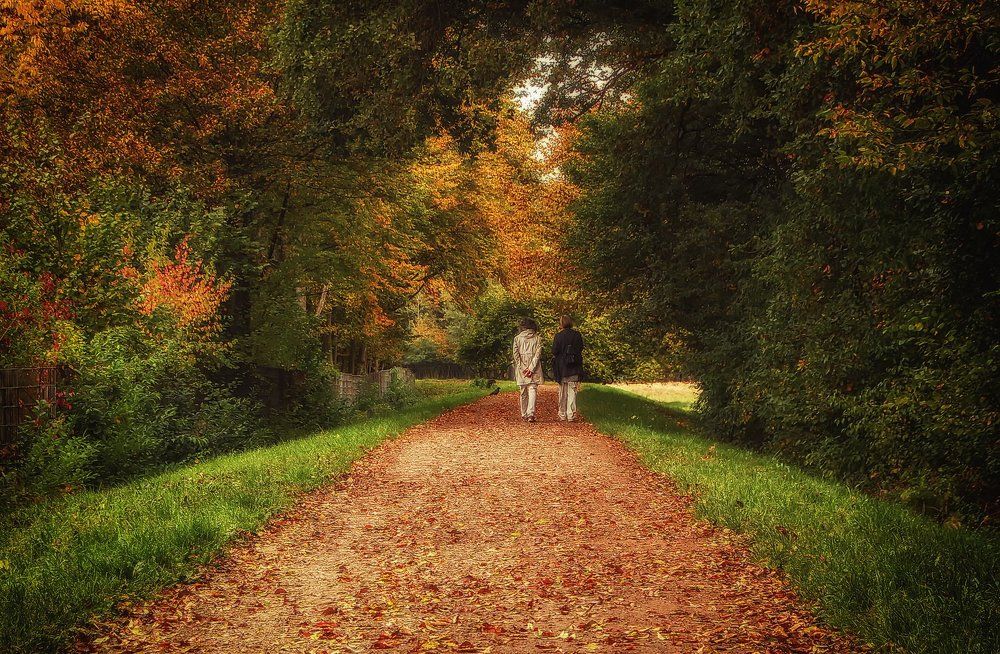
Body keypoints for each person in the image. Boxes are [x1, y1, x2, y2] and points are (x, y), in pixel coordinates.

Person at [552, 315, 584, 421]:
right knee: (572, 391)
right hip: (574, 366)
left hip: (562, 368)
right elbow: (581, 348)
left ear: (561, 324)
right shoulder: (577, 335)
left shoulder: (558, 336)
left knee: (562, 392)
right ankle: (571, 414)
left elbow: (554, 351)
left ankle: (562, 414)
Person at [512, 317, 542, 422]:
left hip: (521, 369)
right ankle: (531, 413)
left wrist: (523, 368)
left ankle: (524, 413)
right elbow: (538, 355)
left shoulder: (517, 339)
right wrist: (531, 368)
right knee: (532, 389)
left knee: (523, 391)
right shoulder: (538, 338)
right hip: (534, 368)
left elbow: (516, 355)